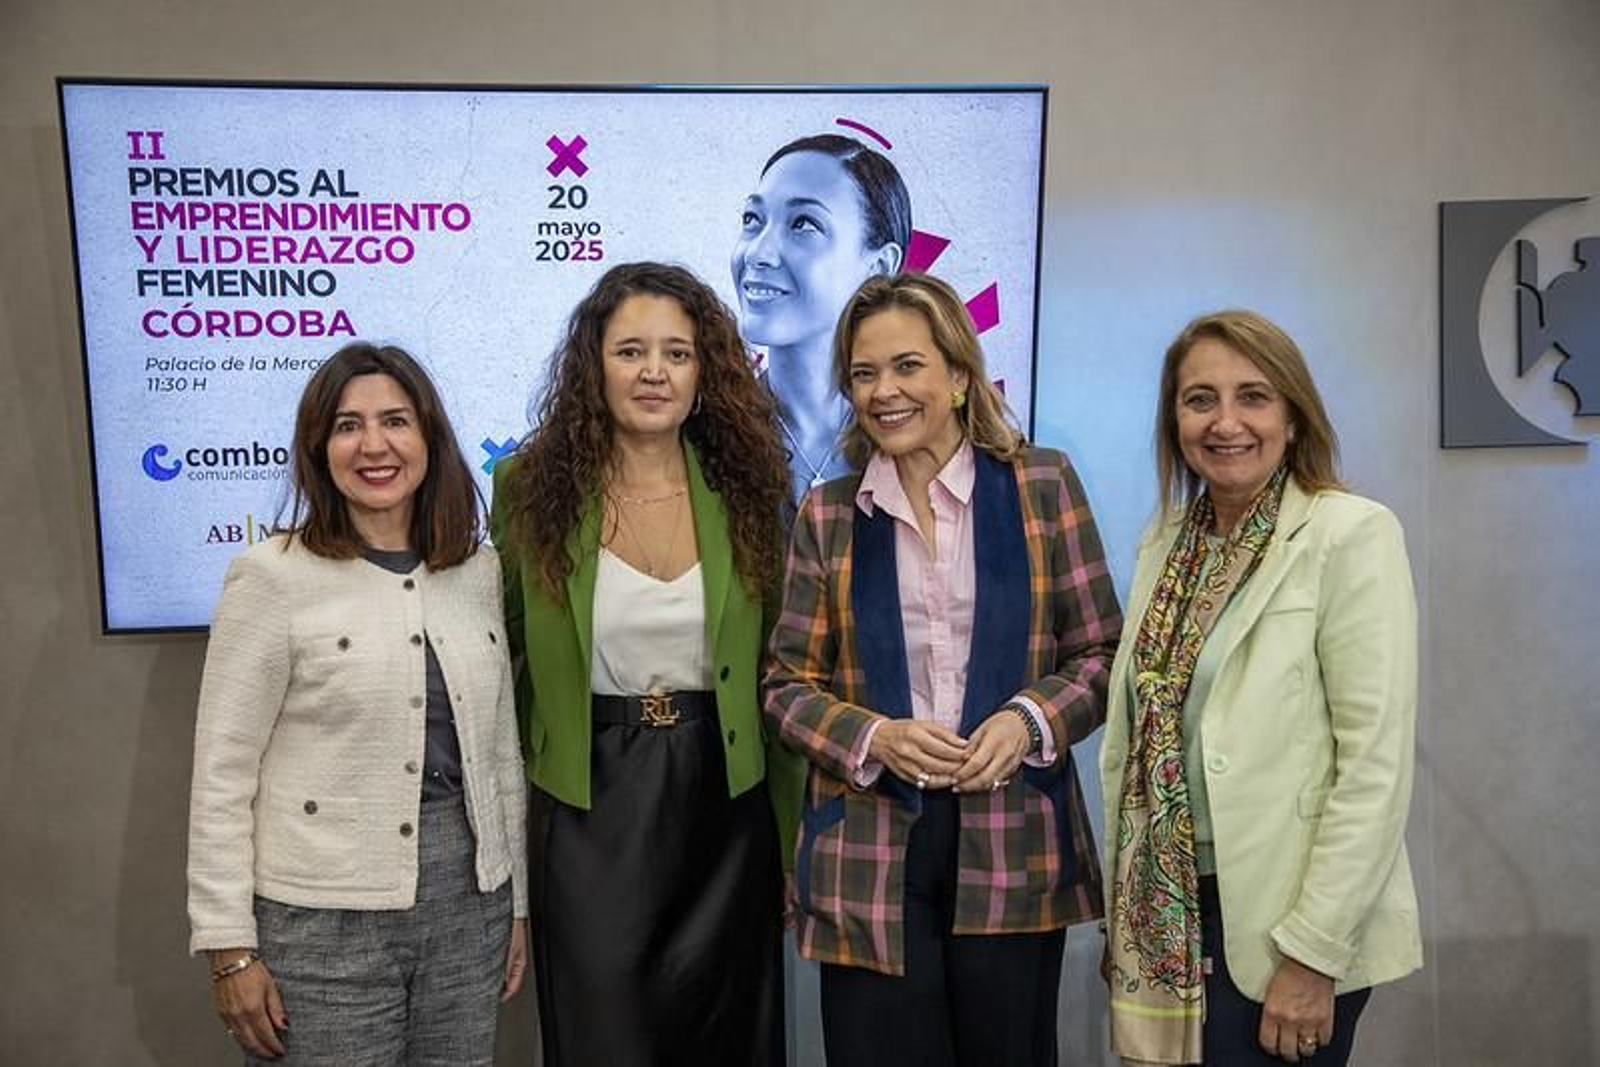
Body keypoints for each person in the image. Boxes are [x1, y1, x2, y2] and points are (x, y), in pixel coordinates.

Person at [764, 272, 1121, 1067]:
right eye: (863, 373)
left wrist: (1028, 718)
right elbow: (785, 687)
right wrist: (875, 736)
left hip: (1014, 842)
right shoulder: (827, 514)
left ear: (960, 375)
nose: (884, 391)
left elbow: (1100, 653)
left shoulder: (1041, 486)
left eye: (907, 366)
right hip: (867, 853)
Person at [490, 261, 801, 1067]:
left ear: (707, 373)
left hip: (725, 806)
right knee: (605, 1040)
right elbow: (504, 651)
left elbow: (782, 676)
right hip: (593, 807)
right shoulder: (528, 489)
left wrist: (795, 836)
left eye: (678, 352)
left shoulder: (753, 491)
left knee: (729, 1040)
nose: (654, 371)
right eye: (630, 350)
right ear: (594, 366)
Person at [186, 342, 529, 1065]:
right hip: (320, 920)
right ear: (320, 447)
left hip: (469, 906)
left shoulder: (476, 570)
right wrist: (228, 948)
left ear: (429, 439)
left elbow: (500, 755)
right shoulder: (271, 577)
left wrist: (516, 901)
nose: (374, 444)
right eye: (348, 425)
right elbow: (222, 774)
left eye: (396, 421)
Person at [1101, 310, 1422, 1066]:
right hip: (1175, 918)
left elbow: (1373, 767)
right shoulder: (1167, 545)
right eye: (1199, 398)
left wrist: (1314, 952)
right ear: (1174, 418)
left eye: (1253, 396)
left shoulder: (1349, 534)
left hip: (1289, 926)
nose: (1226, 422)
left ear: (1292, 414)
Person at [731, 132, 912, 498]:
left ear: (879, 266)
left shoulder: (921, 437)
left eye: (803, 225)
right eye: (753, 218)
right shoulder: (709, 432)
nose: (758, 253)